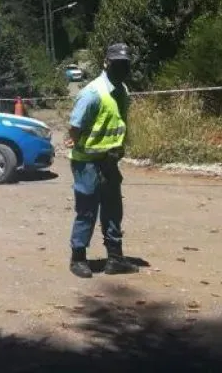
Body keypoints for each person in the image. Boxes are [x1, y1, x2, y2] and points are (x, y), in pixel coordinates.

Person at [63, 43, 139, 278]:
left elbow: (119, 121)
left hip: (110, 161)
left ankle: (115, 258)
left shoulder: (122, 91)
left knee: (113, 209)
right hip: (87, 162)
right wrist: (76, 142)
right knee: (87, 210)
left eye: (125, 64)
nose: (121, 68)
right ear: (106, 63)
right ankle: (78, 258)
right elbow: (74, 127)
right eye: (117, 64)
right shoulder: (92, 93)